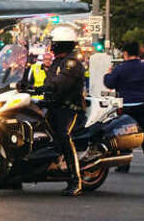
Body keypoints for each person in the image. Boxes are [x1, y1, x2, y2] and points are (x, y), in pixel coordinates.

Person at [104, 42, 144, 174]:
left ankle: (123, 165)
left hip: (127, 105)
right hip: (142, 105)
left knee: (125, 135)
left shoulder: (120, 68)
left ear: (125, 53)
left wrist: (108, 74)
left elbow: (109, 83)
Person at [42, 25, 86, 197]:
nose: (51, 45)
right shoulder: (56, 62)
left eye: (53, 42)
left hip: (70, 109)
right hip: (54, 106)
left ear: (61, 44)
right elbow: (49, 82)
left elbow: (60, 83)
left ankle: (76, 181)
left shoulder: (71, 63)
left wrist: (44, 88)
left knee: (63, 135)